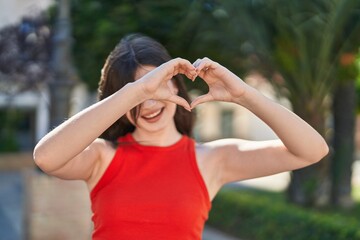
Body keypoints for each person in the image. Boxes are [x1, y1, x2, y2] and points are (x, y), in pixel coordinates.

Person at [33, 33, 329, 240]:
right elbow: (46, 157)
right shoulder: (102, 156)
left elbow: (312, 150)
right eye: (137, 95)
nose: (148, 104)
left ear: (176, 85)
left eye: (158, 86)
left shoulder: (213, 159)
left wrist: (244, 95)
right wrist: (139, 89)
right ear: (119, 103)